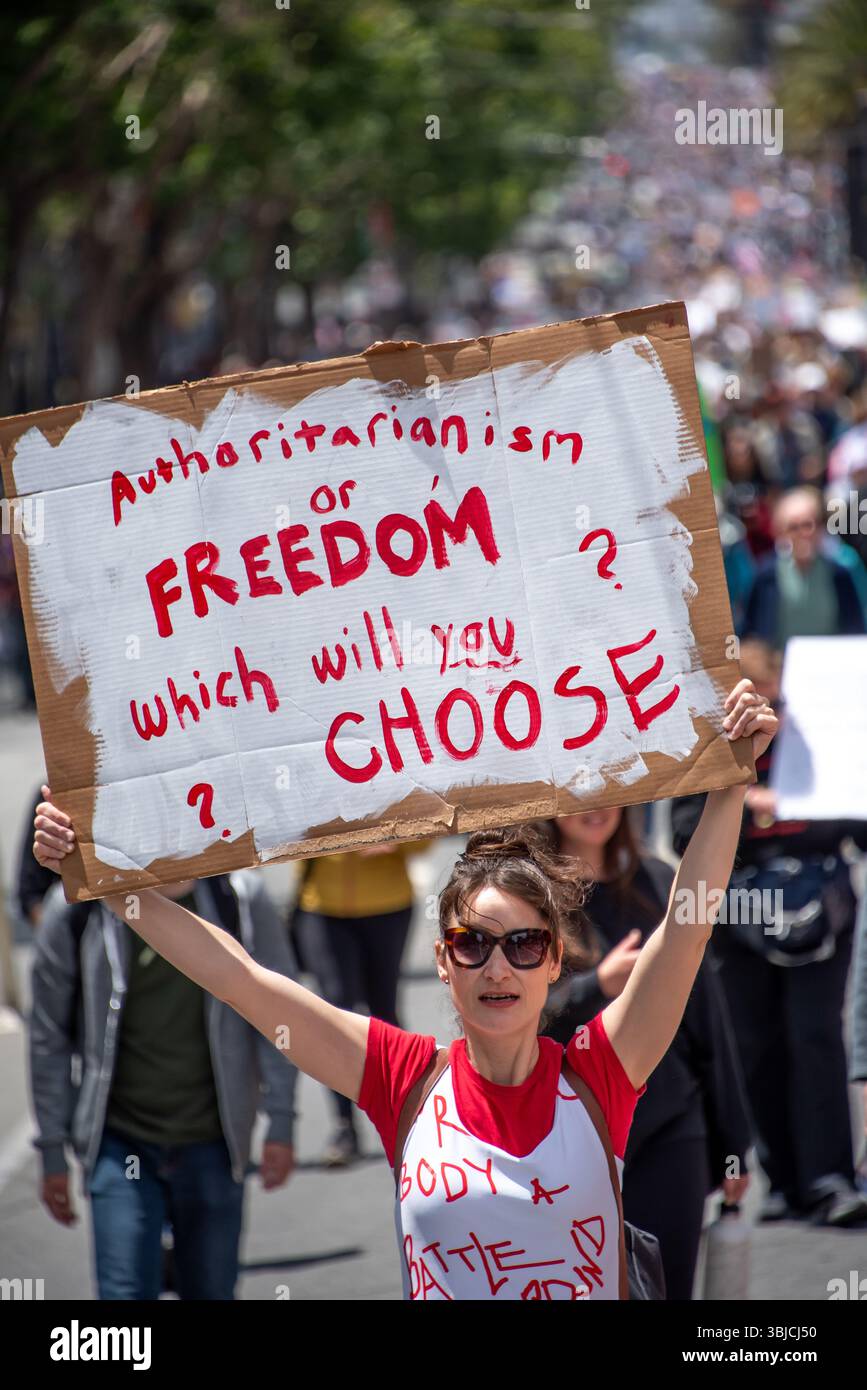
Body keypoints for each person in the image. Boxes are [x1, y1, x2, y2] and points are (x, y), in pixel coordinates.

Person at [33, 679, 777, 1301]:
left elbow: (687, 927)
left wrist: (730, 781)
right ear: (441, 963)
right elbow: (239, 978)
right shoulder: (403, 1079)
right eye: (471, 944)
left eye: (522, 945)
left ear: (555, 962)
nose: (497, 968)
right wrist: (108, 882)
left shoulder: (600, 1073)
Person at [29, 798, 301, 1300]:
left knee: (212, 1289)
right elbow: (46, 1037)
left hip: (214, 1144)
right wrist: (51, 1151)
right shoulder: (77, 909)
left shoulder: (240, 901)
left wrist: (281, 1119)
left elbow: (282, 1014)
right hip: (119, 1146)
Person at [671, 644, 867, 1227]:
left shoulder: (817, 739)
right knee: (753, 1043)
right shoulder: (709, 747)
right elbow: (684, 831)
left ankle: (829, 1176)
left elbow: (853, 819)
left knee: (814, 1037)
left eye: (771, 699)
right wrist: (743, 800)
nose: (763, 711)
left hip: (816, 908)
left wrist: (786, 806)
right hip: (739, 914)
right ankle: (783, 1181)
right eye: (749, 700)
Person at [538, 806, 752, 1300]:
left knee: (668, 1286)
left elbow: (710, 1025)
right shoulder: (529, 899)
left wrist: (734, 1151)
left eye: (609, 791)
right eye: (580, 792)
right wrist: (597, 985)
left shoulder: (660, 882)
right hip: (569, 1135)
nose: (597, 807)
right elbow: (509, 1014)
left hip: (671, 1127)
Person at [290, 840, 429, 1166]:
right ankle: (343, 1126)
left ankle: (405, 1115)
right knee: (333, 1016)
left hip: (388, 903)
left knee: (385, 1014)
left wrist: (399, 840)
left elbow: (429, 827)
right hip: (321, 906)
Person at [740, 486, 866, 650]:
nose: (802, 534)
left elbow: (855, 630)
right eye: (793, 527)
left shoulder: (839, 574)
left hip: (832, 668)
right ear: (780, 532)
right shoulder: (766, 576)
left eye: (808, 525)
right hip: (780, 670)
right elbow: (752, 633)